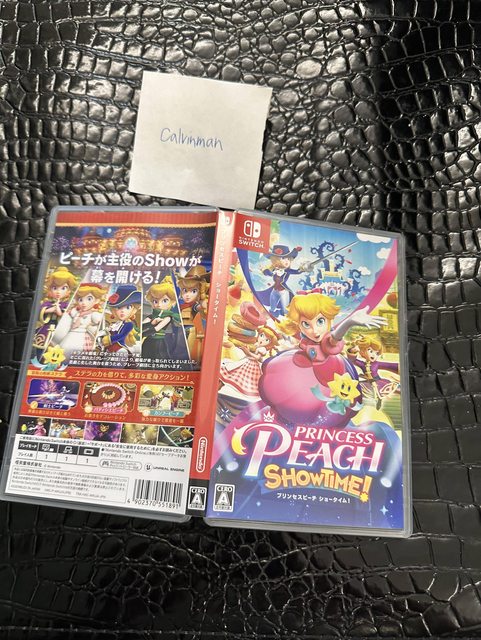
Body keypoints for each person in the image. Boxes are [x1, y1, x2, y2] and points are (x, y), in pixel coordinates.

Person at [258, 292, 387, 424]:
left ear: (329, 320)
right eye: (306, 324)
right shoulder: (306, 340)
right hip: (303, 373)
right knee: (287, 394)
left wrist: (349, 323)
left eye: (320, 321)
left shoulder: (327, 341)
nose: (315, 331)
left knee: (326, 408)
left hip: (326, 375)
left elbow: (334, 338)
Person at [219, 302, 279, 400]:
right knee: (233, 372)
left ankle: (232, 395)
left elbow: (258, 358)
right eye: (262, 336)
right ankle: (222, 388)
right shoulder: (254, 344)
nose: (262, 340)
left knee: (243, 379)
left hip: (252, 365)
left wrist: (247, 352)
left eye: (266, 340)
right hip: (245, 360)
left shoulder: (262, 349)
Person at [52, 283, 106, 360]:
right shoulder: (75, 312)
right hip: (70, 335)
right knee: (62, 352)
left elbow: (98, 323)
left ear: (96, 300)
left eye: (89, 299)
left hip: (81, 337)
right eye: (80, 300)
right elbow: (63, 315)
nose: (84, 303)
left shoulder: (93, 314)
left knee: (76, 355)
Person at [347, 335, 400, 409]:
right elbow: (353, 360)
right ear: (362, 352)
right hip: (368, 383)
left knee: (383, 391)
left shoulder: (376, 364)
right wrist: (353, 350)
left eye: (377, 353)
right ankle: (356, 403)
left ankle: (379, 401)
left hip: (378, 381)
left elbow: (388, 365)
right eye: (371, 351)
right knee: (357, 388)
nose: (374, 355)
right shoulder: (362, 364)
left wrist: (400, 368)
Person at [33, 266, 76, 355]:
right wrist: (48, 310)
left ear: (69, 290)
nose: (58, 292)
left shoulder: (67, 305)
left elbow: (68, 318)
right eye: (55, 288)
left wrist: (59, 312)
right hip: (45, 328)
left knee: (56, 350)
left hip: (59, 330)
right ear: (49, 289)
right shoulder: (46, 303)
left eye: (63, 288)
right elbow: (37, 313)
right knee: (39, 349)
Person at [258, 245, 308, 317]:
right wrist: (265, 270)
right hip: (274, 291)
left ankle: (282, 313)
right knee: (272, 308)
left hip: (284, 292)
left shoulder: (287, 271)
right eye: (283, 258)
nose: (287, 261)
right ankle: (274, 314)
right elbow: (268, 273)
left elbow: (297, 271)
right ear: (275, 260)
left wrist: (303, 268)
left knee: (285, 310)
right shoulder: (274, 270)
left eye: (288, 258)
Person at [142, 277, 181, 360]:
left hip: (158, 343)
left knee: (159, 360)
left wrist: (142, 334)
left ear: (172, 301)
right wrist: (151, 322)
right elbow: (142, 326)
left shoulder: (168, 317)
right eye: (155, 301)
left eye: (164, 301)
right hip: (147, 342)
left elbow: (156, 328)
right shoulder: (151, 316)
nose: (159, 305)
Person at [177, 265, 210, 362]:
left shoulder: (195, 305)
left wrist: (202, 295)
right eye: (185, 290)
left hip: (191, 331)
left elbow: (202, 306)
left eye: (193, 291)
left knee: (187, 352)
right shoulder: (182, 305)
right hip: (180, 330)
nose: (187, 295)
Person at [98, 285, 141, 355]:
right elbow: (109, 331)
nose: (122, 311)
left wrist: (109, 339)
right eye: (118, 307)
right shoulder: (116, 324)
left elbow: (122, 335)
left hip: (119, 347)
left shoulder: (128, 324)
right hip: (108, 347)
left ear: (134, 309)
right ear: (114, 310)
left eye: (128, 307)